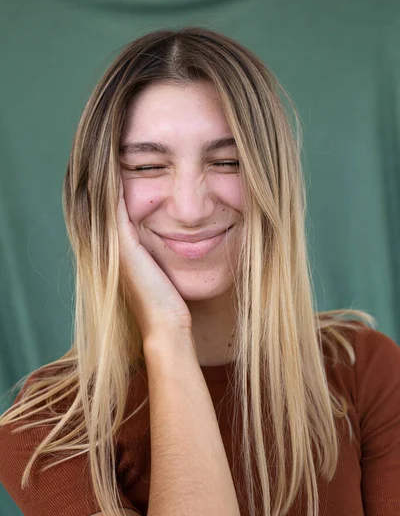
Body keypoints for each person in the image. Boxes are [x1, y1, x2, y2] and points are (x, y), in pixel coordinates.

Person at [0, 27, 399, 516]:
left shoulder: (364, 370)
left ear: (273, 183)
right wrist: (167, 335)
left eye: (228, 162)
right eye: (147, 167)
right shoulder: (47, 425)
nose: (190, 208)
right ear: (96, 198)